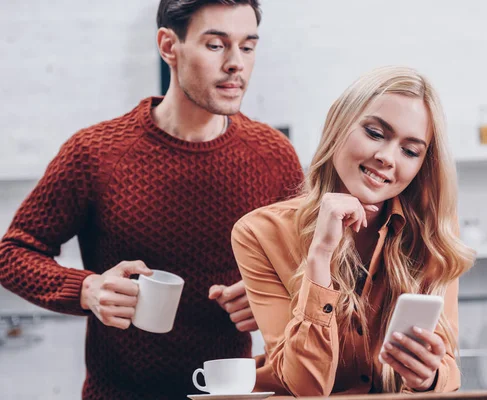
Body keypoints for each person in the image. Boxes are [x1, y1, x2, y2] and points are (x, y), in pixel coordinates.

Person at [0, 1, 303, 399]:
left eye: (247, 47)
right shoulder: (94, 153)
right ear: (168, 46)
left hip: (229, 394)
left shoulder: (274, 156)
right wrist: (87, 289)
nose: (236, 63)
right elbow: (13, 252)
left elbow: (313, 272)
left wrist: (275, 297)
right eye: (216, 45)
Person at [231, 66, 475, 396]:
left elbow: (446, 369)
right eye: (375, 133)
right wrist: (320, 257)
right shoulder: (258, 234)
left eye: (410, 151)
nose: (387, 157)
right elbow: (304, 386)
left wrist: (427, 379)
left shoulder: (432, 233)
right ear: (339, 124)